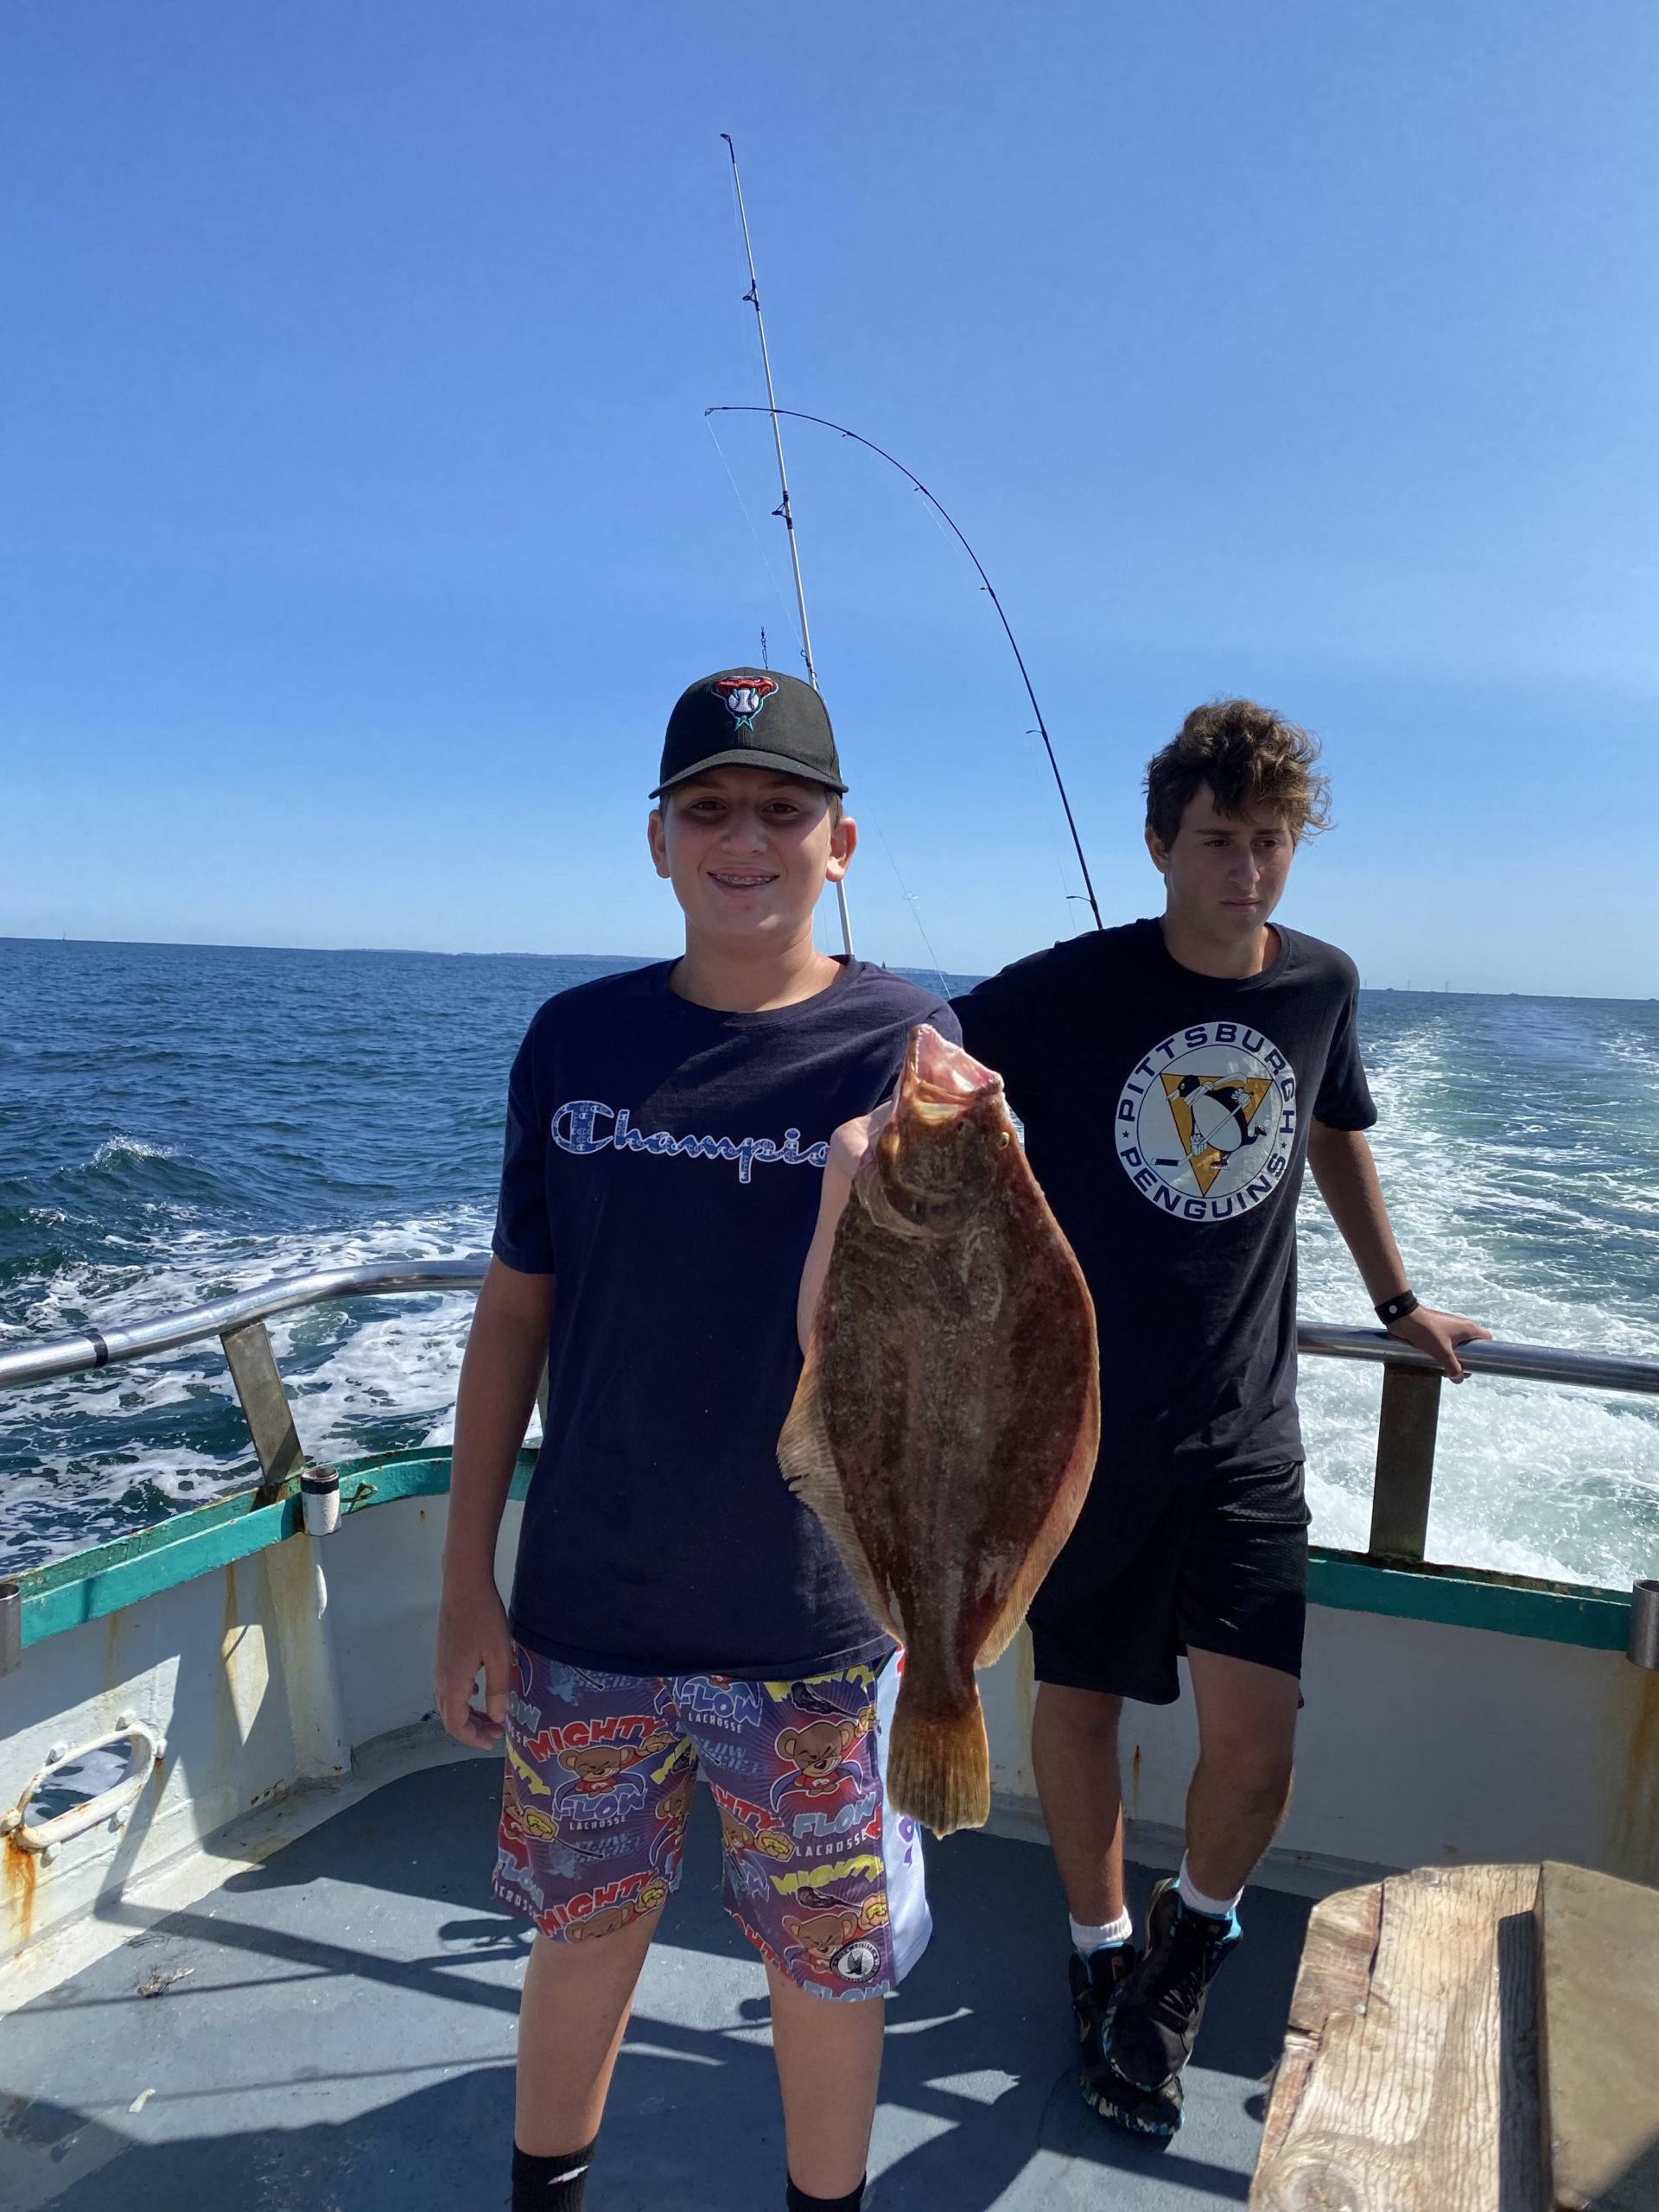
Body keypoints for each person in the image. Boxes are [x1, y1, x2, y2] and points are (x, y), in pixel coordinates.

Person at [434, 667, 957, 2212]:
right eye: (708, 809)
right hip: (586, 1609)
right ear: (656, 840)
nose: (745, 840)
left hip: (813, 1622)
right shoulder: (573, 1040)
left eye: (783, 811)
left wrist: (877, 1173)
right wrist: (469, 1584)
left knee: (827, 1959)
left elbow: (923, 1349)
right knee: (582, 1929)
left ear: (840, 843)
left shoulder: (912, 1048)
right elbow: (513, 1316)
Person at [948, 699, 1490, 2140]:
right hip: (1083, 1435)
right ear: (1157, 846)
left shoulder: (1321, 984)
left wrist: (1396, 1302)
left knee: (1255, 1740)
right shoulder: (1070, 989)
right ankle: (1099, 1949)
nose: (1246, 871)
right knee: (1080, 1706)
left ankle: (1189, 1946)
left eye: (1270, 842)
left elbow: (1331, 1128)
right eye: (1217, 843)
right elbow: (929, 1053)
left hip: (1248, 1433)